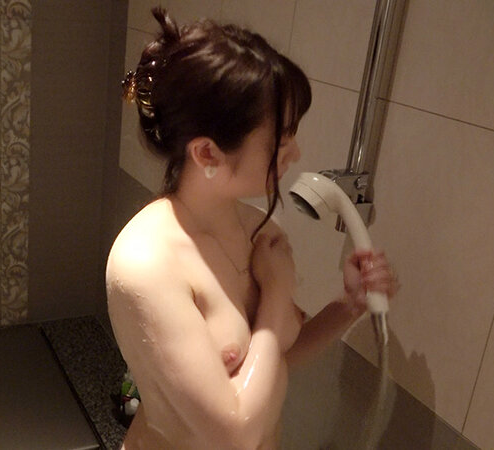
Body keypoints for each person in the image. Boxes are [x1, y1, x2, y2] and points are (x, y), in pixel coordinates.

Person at [106, 7, 400, 449]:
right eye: (281, 140)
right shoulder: (146, 263)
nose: (295, 153)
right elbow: (234, 432)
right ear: (207, 154)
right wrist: (277, 293)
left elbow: (275, 357)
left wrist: (349, 305)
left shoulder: (254, 228)